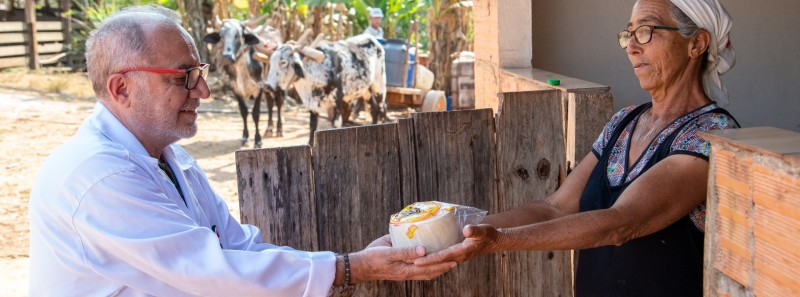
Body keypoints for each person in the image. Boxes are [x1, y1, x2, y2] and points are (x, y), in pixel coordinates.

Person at [28, 5, 455, 296]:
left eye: (200, 72)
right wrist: (351, 268)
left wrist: (348, 264)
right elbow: (210, 272)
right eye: (183, 76)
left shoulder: (172, 159)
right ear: (122, 88)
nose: (204, 90)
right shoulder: (98, 176)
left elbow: (236, 247)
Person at [414, 0, 738, 296]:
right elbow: (555, 207)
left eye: (646, 31)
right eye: (629, 35)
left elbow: (622, 222)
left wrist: (499, 241)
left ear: (696, 43)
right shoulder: (624, 121)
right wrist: (464, 233)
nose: (632, 47)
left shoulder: (713, 135)